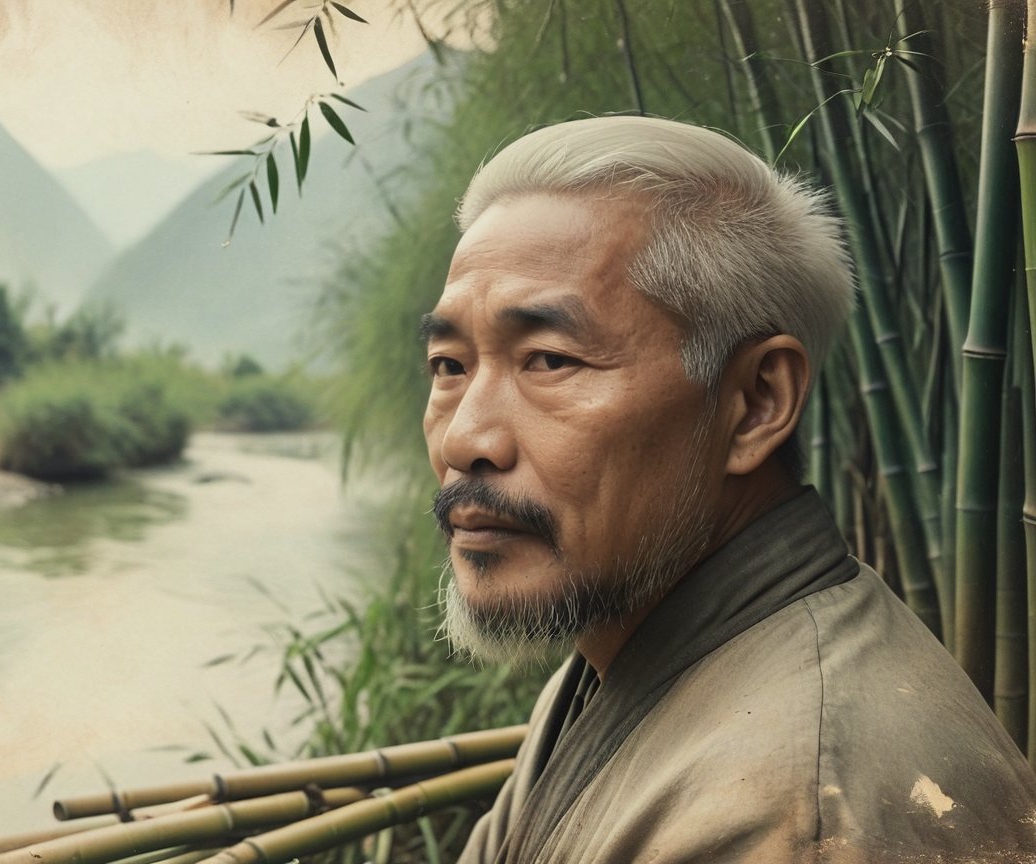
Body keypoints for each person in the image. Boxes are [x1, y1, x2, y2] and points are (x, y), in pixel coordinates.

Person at [425, 117, 1036, 863]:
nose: (464, 440)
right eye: (449, 365)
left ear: (754, 402)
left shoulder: (804, 816)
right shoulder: (615, 652)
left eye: (550, 360)